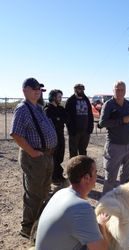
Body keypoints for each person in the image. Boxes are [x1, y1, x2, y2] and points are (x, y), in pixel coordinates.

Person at [10, 77, 57, 238]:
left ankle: (39, 226)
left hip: (45, 156)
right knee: (34, 193)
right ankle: (28, 228)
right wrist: (32, 152)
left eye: (39, 89)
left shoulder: (37, 108)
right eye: (35, 88)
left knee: (44, 191)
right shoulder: (23, 109)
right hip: (34, 157)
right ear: (25, 90)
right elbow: (16, 133)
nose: (38, 91)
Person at [35, 155, 109, 250]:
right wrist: (101, 225)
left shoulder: (61, 193)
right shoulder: (81, 207)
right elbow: (101, 249)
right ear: (86, 178)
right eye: (95, 172)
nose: (97, 176)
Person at [99, 80, 129, 194]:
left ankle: (123, 198)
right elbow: (102, 123)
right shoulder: (109, 105)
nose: (119, 92)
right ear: (113, 90)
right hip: (114, 145)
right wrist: (121, 120)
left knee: (127, 175)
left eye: (122, 89)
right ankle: (105, 204)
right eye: (117, 89)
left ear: (125, 91)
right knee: (110, 176)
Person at [44, 89, 68, 185]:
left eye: (61, 97)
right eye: (59, 97)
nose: (60, 99)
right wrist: (58, 119)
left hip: (60, 135)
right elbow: (50, 123)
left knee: (60, 156)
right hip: (52, 137)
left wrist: (59, 119)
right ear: (53, 97)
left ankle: (58, 174)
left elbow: (66, 118)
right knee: (53, 157)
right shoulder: (47, 109)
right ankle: (53, 177)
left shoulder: (61, 108)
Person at [65, 83, 94, 158]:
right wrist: (71, 129)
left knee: (83, 151)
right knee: (73, 152)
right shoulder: (70, 100)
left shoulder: (86, 99)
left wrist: (90, 128)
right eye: (79, 89)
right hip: (75, 132)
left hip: (85, 131)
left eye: (82, 89)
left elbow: (90, 114)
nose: (81, 91)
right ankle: (73, 168)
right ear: (75, 89)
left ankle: (83, 168)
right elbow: (67, 117)